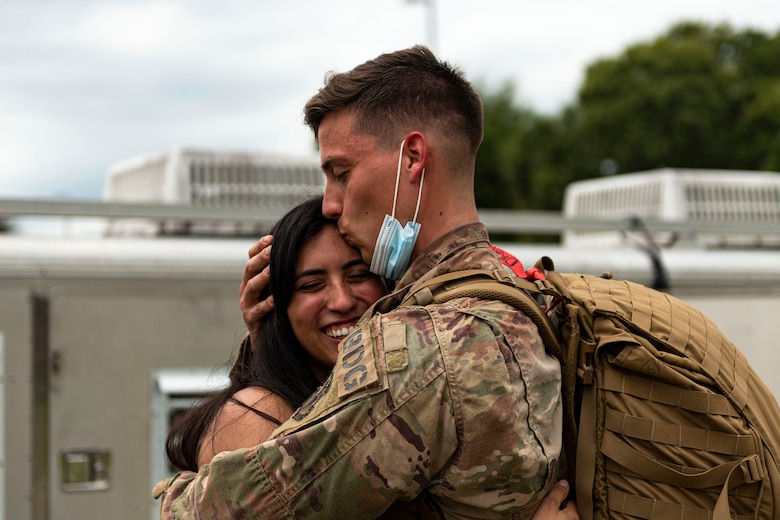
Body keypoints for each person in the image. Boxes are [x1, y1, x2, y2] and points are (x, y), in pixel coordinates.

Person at [155, 45, 575, 519]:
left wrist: (182, 489)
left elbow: (209, 513)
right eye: (310, 284)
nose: (331, 204)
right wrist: (271, 347)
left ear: (414, 157)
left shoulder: (416, 350)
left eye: (341, 173)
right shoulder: (529, 294)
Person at [165, 196, 388, 472]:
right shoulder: (256, 415)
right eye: (312, 285)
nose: (341, 301)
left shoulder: (405, 388)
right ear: (277, 308)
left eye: (359, 275)